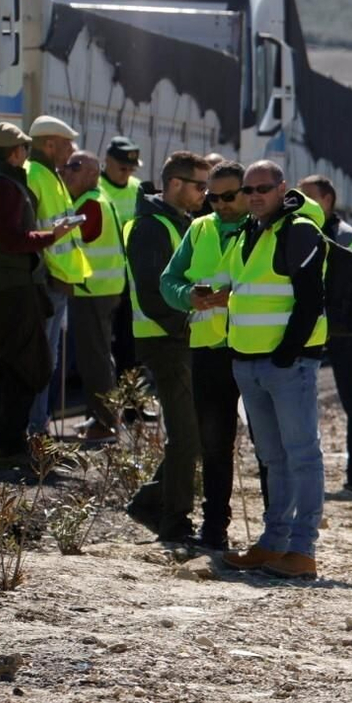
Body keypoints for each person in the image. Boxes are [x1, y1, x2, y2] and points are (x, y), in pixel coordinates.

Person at [221, 161, 328, 579]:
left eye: (263, 188)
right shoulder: (251, 230)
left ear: (282, 188)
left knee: (301, 455)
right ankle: (273, 544)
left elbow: (310, 299)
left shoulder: (298, 230)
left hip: (286, 364)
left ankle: (302, 550)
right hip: (250, 363)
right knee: (272, 458)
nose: (254, 195)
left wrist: (286, 354)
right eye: (248, 189)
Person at [0, 123, 78, 467]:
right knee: (24, 367)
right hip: (10, 291)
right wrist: (51, 235)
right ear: (14, 152)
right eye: (24, 149)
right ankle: (9, 447)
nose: (27, 154)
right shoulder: (3, 185)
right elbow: (12, 240)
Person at [161, 160, 251, 550]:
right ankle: (214, 528)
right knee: (214, 445)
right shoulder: (199, 230)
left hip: (254, 349)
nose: (220, 205)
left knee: (267, 443)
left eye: (229, 196)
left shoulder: (263, 230)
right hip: (209, 350)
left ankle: (276, 533)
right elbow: (169, 280)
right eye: (213, 197)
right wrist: (188, 297)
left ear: (248, 193)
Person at [124, 152, 210, 545]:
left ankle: (150, 502)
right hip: (166, 341)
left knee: (193, 433)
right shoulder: (149, 228)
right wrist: (183, 328)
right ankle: (173, 521)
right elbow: (152, 293)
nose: (205, 193)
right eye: (199, 185)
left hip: (179, 339)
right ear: (175, 183)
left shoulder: (180, 223)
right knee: (186, 435)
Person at [298, 174, 352, 501]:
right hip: (309, 326)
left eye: (308, 196)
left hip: (340, 330)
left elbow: (342, 285)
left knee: (350, 401)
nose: (300, 202)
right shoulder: (300, 230)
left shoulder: (347, 237)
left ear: (327, 200)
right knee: (297, 399)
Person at [25, 116, 93, 436]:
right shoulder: (35, 175)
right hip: (47, 283)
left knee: (48, 363)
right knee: (41, 363)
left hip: (58, 283)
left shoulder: (50, 176)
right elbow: (32, 234)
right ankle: (35, 433)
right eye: (66, 145)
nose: (71, 152)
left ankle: (38, 431)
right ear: (49, 144)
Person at [62, 151, 123, 442]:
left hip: (93, 290)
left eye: (75, 167)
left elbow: (71, 240)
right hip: (101, 289)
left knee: (94, 359)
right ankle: (100, 417)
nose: (66, 172)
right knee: (98, 357)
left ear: (91, 174)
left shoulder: (90, 204)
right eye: (66, 166)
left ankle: (105, 424)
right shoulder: (96, 199)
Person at [101, 137, 143, 377]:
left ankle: (131, 406)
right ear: (107, 161)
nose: (126, 174)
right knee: (103, 348)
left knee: (130, 345)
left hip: (130, 281)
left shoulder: (136, 188)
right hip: (102, 283)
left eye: (131, 169)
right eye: (122, 168)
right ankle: (106, 409)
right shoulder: (96, 188)